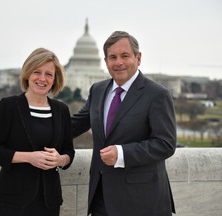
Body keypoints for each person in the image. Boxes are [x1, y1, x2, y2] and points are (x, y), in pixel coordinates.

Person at [71, 31, 176, 216]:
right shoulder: (98, 90)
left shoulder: (157, 94)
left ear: (138, 57)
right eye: (112, 57)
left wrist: (121, 153)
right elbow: (76, 124)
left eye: (125, 55)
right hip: (101, 199)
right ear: (105, 61)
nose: (118, 62)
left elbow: (165, 144)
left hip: (141, 201)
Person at [0, 47, 75, 216]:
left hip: (49, 201)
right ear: (27, 74)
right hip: (13, 201)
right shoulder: (9, 106)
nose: (42, 78)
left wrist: (60, 159)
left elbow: (69, 151)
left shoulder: (61, 110)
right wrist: (29, 157)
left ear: (55, 79)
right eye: (36, 72)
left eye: (49, 74)